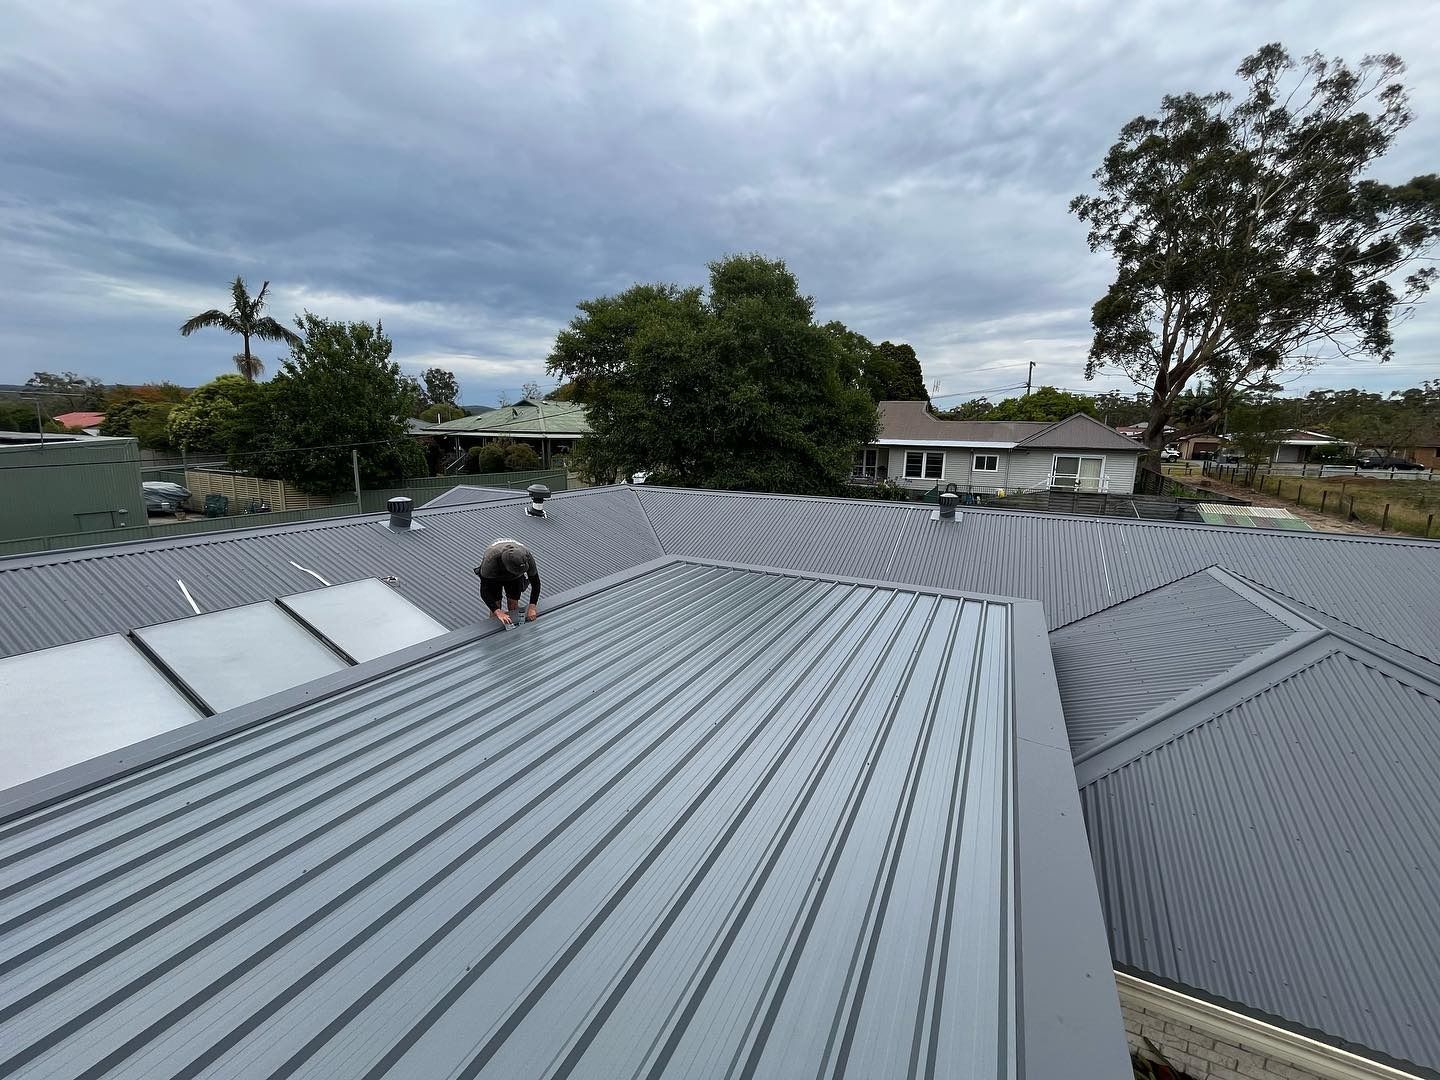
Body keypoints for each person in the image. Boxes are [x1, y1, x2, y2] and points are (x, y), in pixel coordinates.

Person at [474, 538, 541, 626]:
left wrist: (532, 606)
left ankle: (514, 627)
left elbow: (535, 582)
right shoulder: (490, 560)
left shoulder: (526, 555)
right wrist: (498, 612)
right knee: (496, 604)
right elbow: (484, 592)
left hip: (515, 578)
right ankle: (495, 627)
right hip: (495, 576)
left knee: (513, 603)